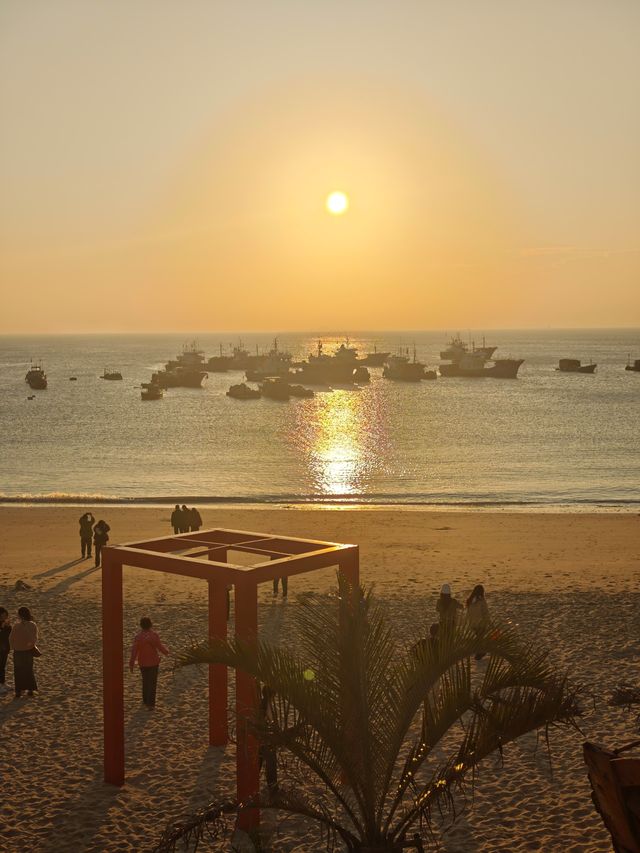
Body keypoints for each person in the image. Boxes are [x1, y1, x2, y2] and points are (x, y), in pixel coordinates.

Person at [129, 617, 169, 708]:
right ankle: (150, 704)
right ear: (150, 624)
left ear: (141, 625)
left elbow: (134, 651)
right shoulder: (154, 635)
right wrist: (167, 652)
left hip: (142, 662)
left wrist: (131, 663)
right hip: (153, 662)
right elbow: (160, 647)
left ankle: (145, 700)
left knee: (145, 681)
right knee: (152, 683)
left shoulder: (138, 637)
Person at [9, 606, 38, 699]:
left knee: (18, 671)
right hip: (28, 651)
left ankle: (18, 691)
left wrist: (14, 647)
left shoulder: (16, 626)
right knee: (28, 670)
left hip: (18, 651)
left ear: (19, 615)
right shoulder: (32, 625)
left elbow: (11, 638)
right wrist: (30, 646)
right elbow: (34, 639)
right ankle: (30, 690)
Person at [259, 685, 278, 799]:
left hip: (264, 739)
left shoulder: (263, 703)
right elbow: (268, 722)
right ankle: (273, 789)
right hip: (266, 740)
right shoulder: (265, 706)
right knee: (270, 764)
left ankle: (272, 787)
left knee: (260, 762)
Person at [466, 584, 490, 660]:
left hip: (473, 624)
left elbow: (469, 613)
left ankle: (480, 652)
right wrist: (490, 622)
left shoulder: (470, 600)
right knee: (480, 638)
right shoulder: (481, 600)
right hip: (480, 623)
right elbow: (485, 612)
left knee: (479, 637)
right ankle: (479, 653)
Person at [0, 607, 11, 695]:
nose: (5, 617)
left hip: (5, 649)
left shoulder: (6, 624)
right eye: (3, 615)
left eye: (6, 615)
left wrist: (8, 627)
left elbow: (8, 635)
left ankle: (3, 684)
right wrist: (2, 628)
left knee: (3, 667)